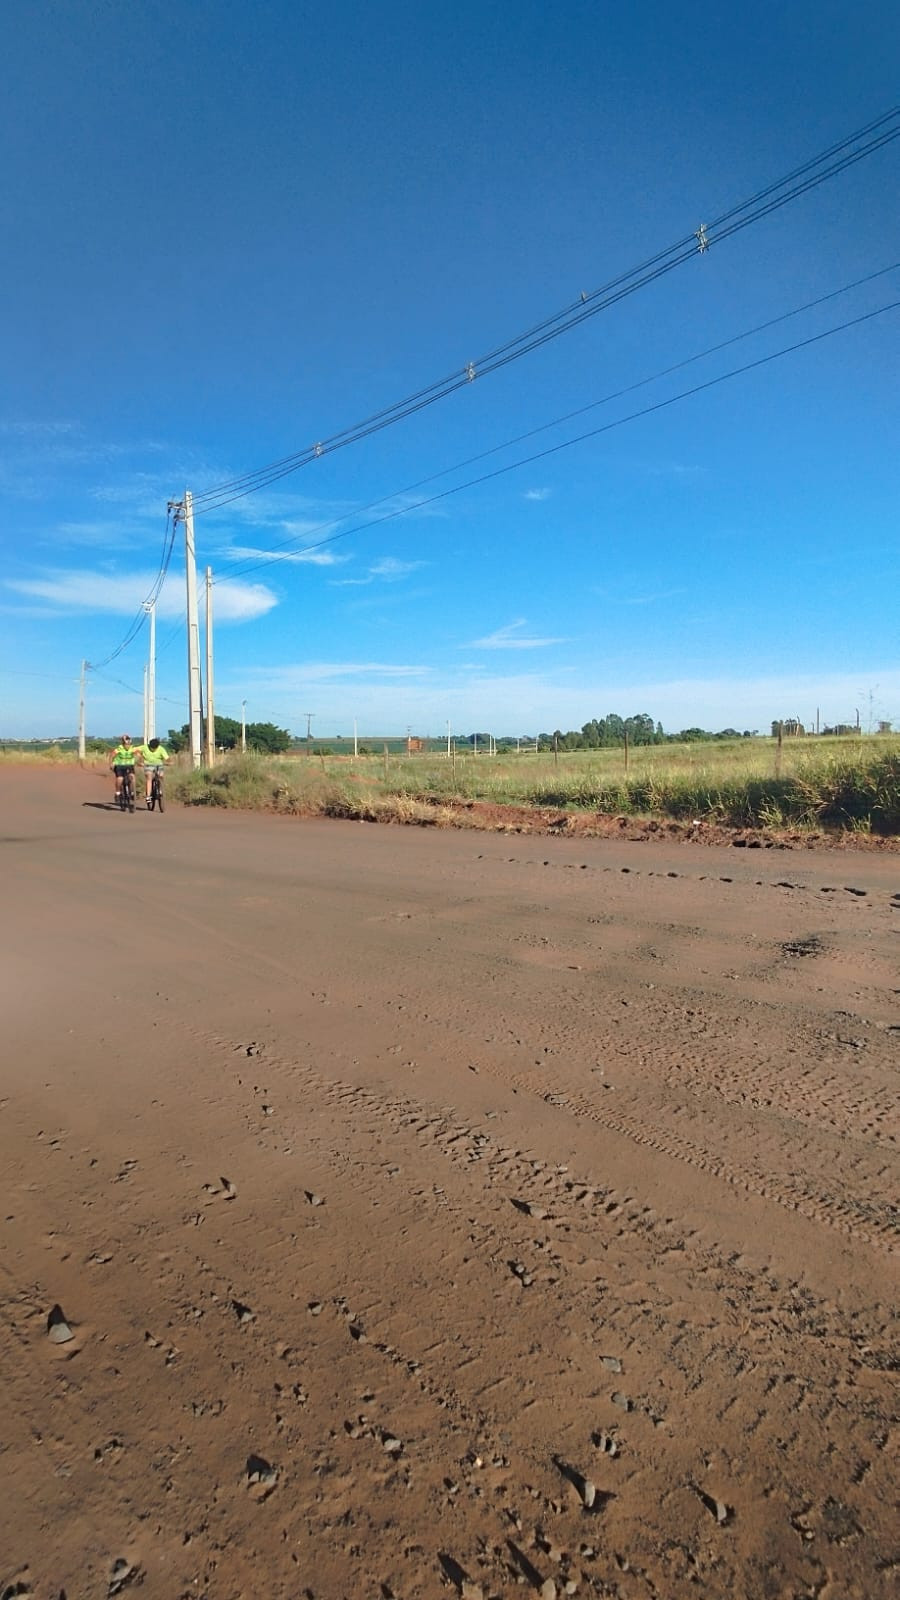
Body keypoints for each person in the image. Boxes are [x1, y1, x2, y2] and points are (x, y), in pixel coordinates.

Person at [136, 736, 170, 805]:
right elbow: (135, 750)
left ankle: (160, 789)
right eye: (152, 748)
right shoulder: (144, 747)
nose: (153, 749)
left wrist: (169, 762)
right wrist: (140, 758)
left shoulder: (161, 749)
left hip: (159, 765)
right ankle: (148, 796)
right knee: (149, 777)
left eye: (155, 748)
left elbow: (167, 758)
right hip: (148, 765)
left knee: (161, 775)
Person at [109, 734, 137, 804]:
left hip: (129, 765)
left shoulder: (133, 749)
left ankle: (132, 792)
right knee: (120, 778)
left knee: (132, 777)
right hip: (119, 765)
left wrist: (141, 762)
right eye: (126, 744)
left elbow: (139, 755)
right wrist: (111, 763)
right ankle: (118, 793)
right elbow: (112, 756)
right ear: (123, 744)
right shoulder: (119, 749)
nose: (128, 746)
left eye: (129, 744)